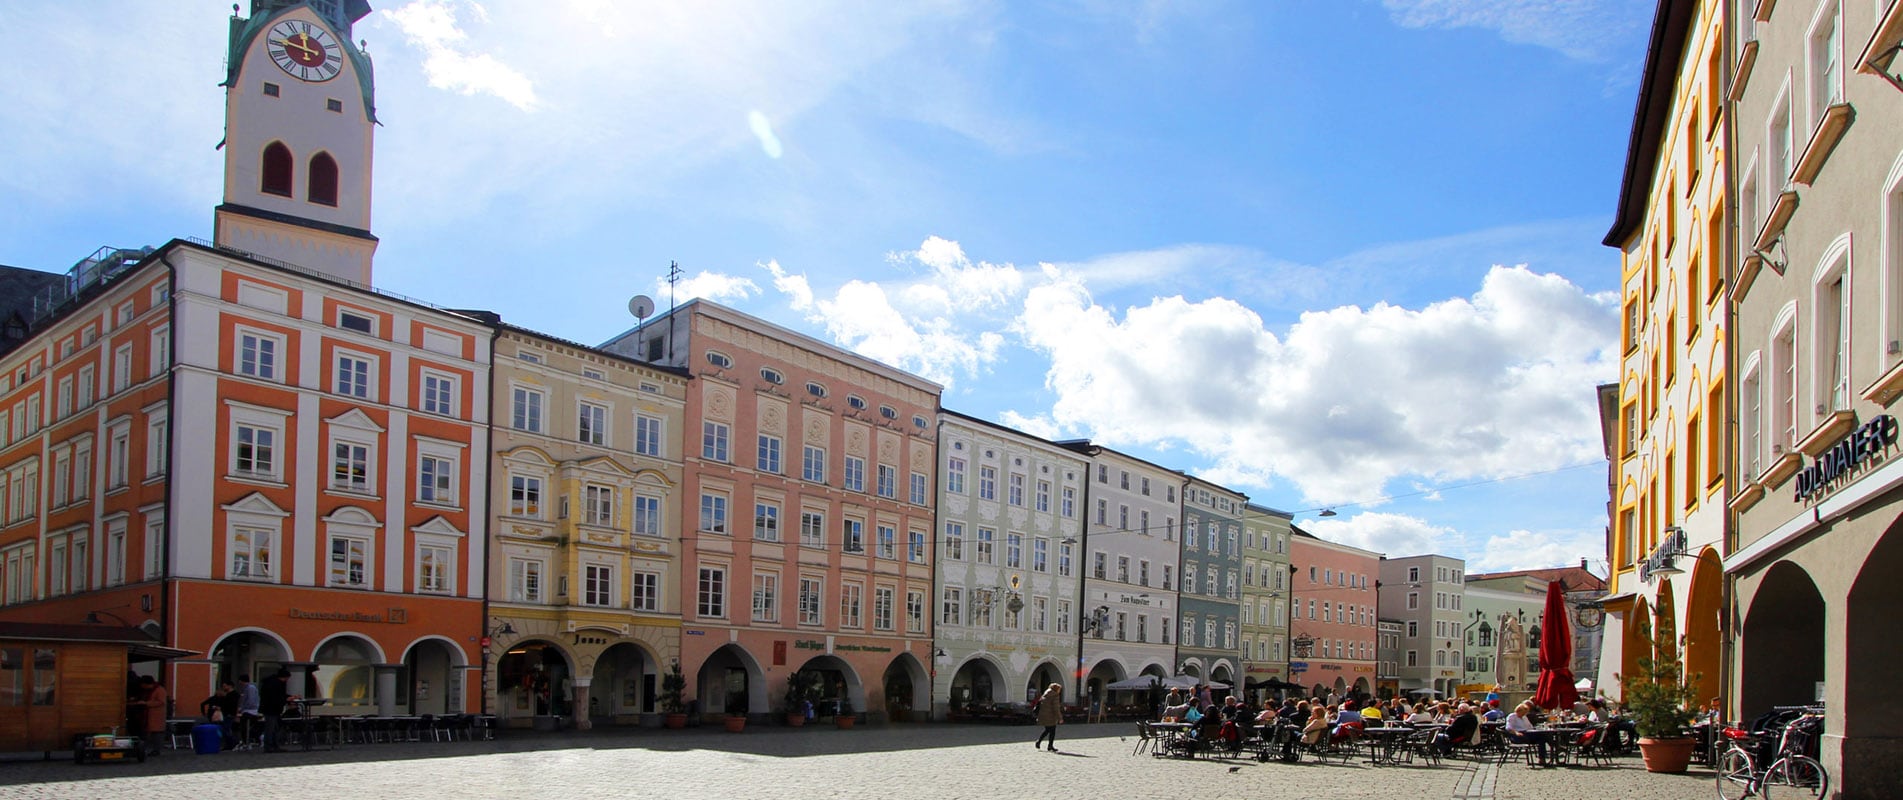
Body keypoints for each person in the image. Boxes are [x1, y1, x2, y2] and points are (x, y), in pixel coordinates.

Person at [131, 676, 170, 756]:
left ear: (146, 684)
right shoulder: (149, 690)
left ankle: (156, 750)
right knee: (149, 733)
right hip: (148, 715)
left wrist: (146, 703)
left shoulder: (159, 690)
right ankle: (147, 749)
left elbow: (161, 702)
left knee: (156, 733)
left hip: (156, 715)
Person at [260, 668, 292, 752]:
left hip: (272, 709)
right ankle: (269, 746)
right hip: (271, 709)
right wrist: (286, 699)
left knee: (274, 728)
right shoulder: (275, 684)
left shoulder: (271, 682)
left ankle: (274, 745)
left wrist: (288, 697)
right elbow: (275, 697)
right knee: (270, 728)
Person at [1032, 683, 1064, 752]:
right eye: (1059, 689)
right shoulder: (1055, 695)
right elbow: (1056, 708)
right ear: (1056, 689)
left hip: (1044, 715)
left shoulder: (1046, 694)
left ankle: (1040, 742)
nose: (1059, 691)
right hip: (1051, 716)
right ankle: (1049, 746)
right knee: (1052, 731)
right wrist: (1060, 718)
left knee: (1048, 730)